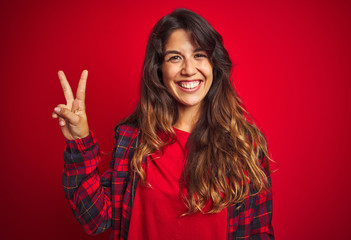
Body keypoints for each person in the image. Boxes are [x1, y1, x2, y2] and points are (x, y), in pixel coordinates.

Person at [52, 8, 274, 240]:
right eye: (175, 57)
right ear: (159, 69)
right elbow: (95, 219)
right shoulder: (131, 139)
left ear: (214, 64)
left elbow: (257, 234)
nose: (189, 70)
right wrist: (79, 142)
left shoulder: (245, 144)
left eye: (199, 55)